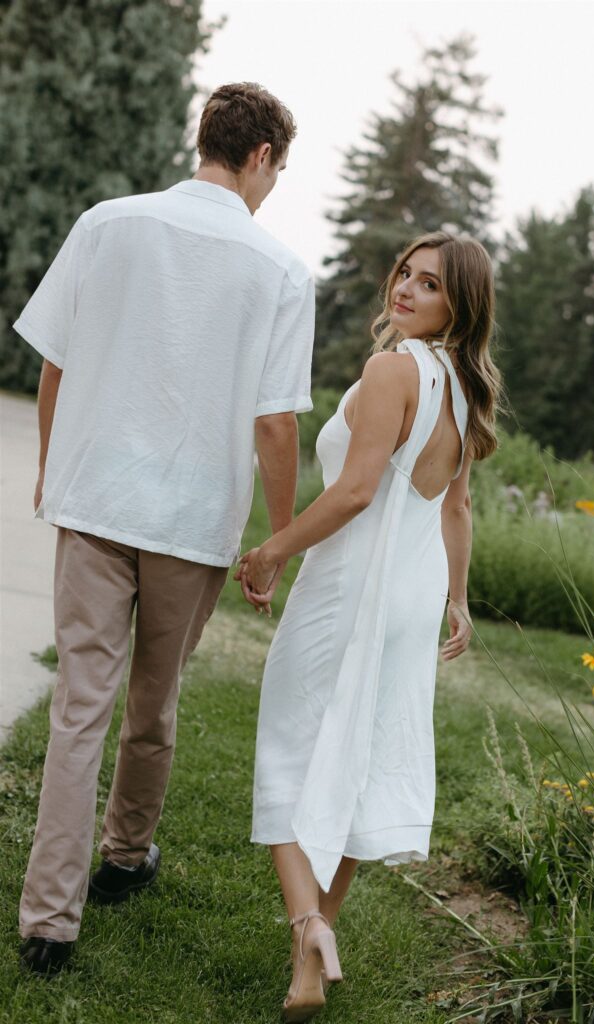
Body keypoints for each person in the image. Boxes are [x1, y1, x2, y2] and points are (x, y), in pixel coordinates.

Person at [13, 82, 315, 976]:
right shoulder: (282, 271)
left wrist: (49, 472)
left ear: (208, 141)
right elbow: (276, 425)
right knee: (153, 706)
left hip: (96, 501)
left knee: (79, 712)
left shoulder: (107, 223)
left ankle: (48, 923)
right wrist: (279, 539)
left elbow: (56, 364)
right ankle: (124, 857)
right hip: (190, 521)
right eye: (278, 170)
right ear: (260, 157)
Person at [238, 230, 503, 1021]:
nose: (405, 290)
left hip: (351, 588)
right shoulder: (464, 387)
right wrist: (457, 598)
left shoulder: (391, 370)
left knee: (286, 745)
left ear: (459, 304)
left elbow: (354, 493)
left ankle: (308, 923)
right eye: (404, 274)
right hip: (412, 597)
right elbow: (454, 503)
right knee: (355, 760)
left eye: (428, 285)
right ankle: (306, 974)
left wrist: (272, 549)